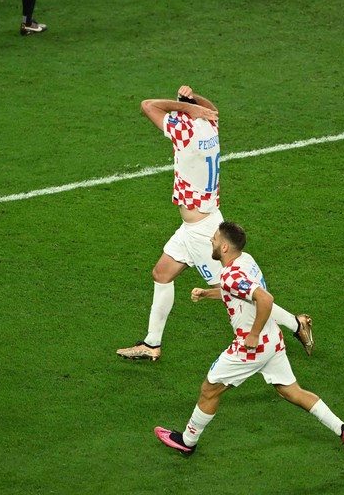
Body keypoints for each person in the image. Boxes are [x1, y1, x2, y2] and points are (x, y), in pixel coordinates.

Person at [116, 85, 314, 361]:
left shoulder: (185, 134)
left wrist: (187, 105)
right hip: (195, 225)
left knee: (236, 290)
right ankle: (151, 344)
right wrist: (194, 100)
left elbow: (148, 104)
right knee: (161, 274)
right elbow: (212, 111)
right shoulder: (209, 128)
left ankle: (296, 323)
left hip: (204, 232)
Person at [154, 221, 344, 460]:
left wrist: (252, 335)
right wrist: (208, 293)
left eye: (215, 238)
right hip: (273, 339)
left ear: (225, 248)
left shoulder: (230, 275)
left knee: (209, 390)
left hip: (252, 346)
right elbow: (241, 291)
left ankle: (187, 442)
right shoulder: (246, 260)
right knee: (291, 391)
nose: (211, 240)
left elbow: (264, 298)